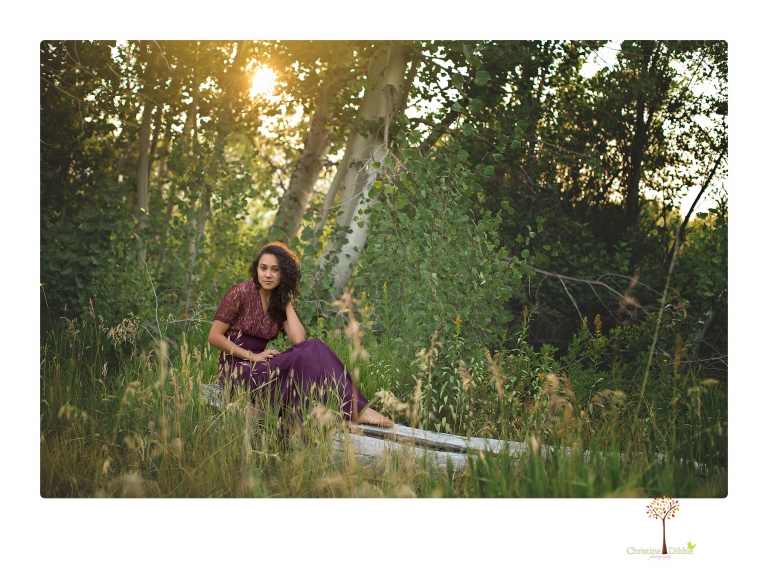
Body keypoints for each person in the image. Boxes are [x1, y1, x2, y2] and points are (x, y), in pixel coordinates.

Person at [208, 241, 393, 427]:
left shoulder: (278, 301)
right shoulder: (240, 293)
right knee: (309, 351)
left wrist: (285, 300)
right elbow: (214, 336)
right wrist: (252, 356)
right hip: (237, 374)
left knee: (315, 346)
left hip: (261, 368)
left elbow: (299, 340)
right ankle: (354, 410)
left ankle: (350, 408)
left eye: (275, 270)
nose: (268, 275)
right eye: (263, 268)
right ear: (256, 269)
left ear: (284, 274)